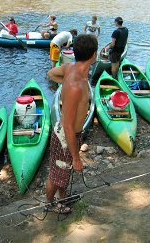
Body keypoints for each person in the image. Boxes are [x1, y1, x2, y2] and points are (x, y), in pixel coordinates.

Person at [45, 34, 98, 214]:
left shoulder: (71, 68)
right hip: (66, 136)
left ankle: (62, 198)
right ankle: (49, 205)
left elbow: (50, 73)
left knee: (63, 173)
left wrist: (65, 83)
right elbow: (68, 126)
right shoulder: (76, 85)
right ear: (93, 55)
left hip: (69, 133)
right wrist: (76, 158)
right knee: (56, 175)